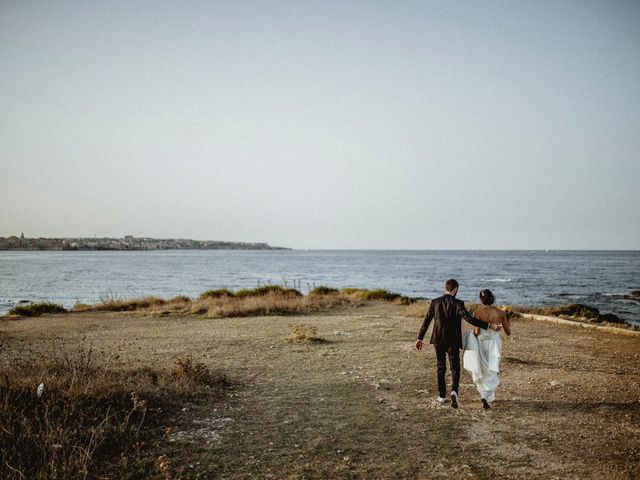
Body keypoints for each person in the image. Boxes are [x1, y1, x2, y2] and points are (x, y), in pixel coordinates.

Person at [416, 279, 502, 408]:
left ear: (446, 288)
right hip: (453, 341)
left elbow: (427, 320)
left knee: (441, 367)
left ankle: (441, 396)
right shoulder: (458, 303)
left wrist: (419, 338)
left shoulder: (435, 302)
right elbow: (470, 319)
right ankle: (454, 392)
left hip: (438, 340)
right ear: (455, 289)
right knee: (454, 367)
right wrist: (489, 326)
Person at [462, 289, 511, 409]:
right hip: (494, 343)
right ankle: (488, 395)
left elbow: (477, 331)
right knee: (493, 369)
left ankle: (485, 394)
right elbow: (508, 332)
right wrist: (506, 320)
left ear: (481, 299)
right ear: (492, 298)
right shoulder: (501, 313)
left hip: (481, 342)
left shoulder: (478, 313)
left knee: (483, 369)